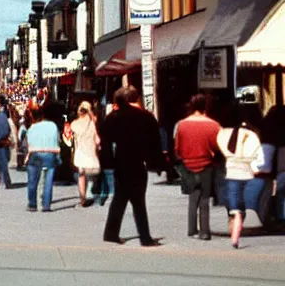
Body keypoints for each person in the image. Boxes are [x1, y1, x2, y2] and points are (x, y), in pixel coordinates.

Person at [102, 86, 164, 247]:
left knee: (119, 199)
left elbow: (105, 144)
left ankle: (111, 232)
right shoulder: (146, 117)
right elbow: (155, 143)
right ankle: (145, 237)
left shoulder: (112, 117)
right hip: (138, 162)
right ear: (136, 98)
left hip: (120, 162)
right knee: (138, 201)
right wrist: (156, 163)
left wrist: (108, 163)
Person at [174, 94, 221, 240]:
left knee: (193, 197)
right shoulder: (214, 125)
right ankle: (205, 231)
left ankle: (192, 229)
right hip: (207, 165)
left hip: (188, 165)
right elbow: (219, 146)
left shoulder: (181, 125)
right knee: (205, 199)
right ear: (205, 107)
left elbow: (177, 149)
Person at [217, 112, 265, 249]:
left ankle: (234, 236)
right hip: (248, 175)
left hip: (232, 175)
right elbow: (259, 159)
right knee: (240, 209)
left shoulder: (223, 135)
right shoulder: (252, 136)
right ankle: (236, 234)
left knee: (234, 209)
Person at [25, 107, 60, 212]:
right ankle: (46, 205)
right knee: (48, 181)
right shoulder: (53, 126)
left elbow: (29, 142)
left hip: (35, 153)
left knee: (32, 180)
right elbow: (57, 140)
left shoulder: (32, 128)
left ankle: (32, 204)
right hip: (51, 153)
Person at [71, 101, 101, 207]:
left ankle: (83, 198)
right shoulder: (93, 122)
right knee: (92, 174)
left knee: (81, 175)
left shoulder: (74, 124)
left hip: (80, 152)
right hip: (90, 151)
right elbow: (97, 140)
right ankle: (89, 190)